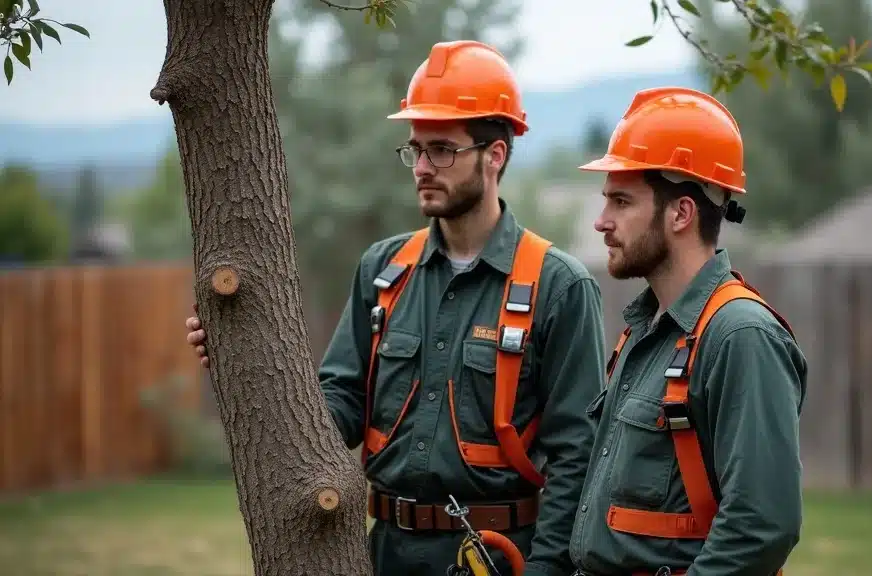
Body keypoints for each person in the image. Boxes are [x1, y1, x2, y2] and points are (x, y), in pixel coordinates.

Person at [185, 39, 606, 576]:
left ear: (494, 155)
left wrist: (543, 570)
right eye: (416, 149)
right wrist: (244, 365)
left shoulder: (559, 285)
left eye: (443, 150)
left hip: (500, 558)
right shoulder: (384, 271)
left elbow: (577, 454)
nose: (423, 167)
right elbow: (335, 409)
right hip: (383, 555)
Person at [566, 87, 808, 576]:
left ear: (681, 213)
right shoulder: (647, 329)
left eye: (620, 201)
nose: (601, 221)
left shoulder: (740, 336)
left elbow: (762, 525)